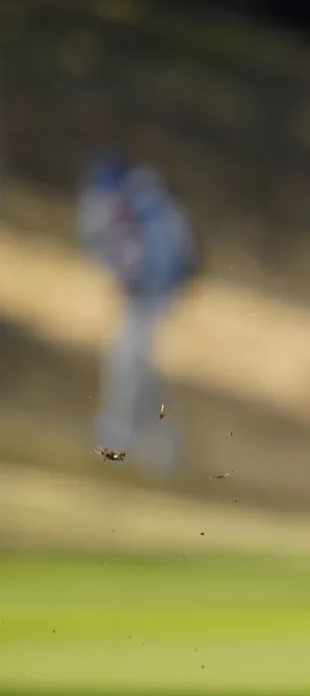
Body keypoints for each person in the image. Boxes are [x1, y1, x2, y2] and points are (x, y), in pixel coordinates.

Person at [77, 151, 199, 478]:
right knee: (136, 370)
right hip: (149, 296)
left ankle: (120, 441)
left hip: (149, 297)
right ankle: (159, 449)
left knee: (128, 368)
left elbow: (106, 248)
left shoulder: (137, 204)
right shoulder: (149, 201)